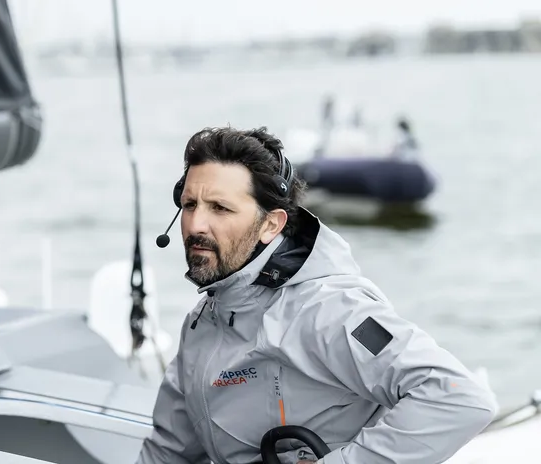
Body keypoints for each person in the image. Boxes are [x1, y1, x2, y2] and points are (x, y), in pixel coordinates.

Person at [136, 126, 497, 464]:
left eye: (220, 208)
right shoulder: (202, 321)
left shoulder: (327, 308)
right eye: (189, 205)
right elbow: (168, 451)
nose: (196, 225)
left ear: (271, 224)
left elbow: (458, 398)